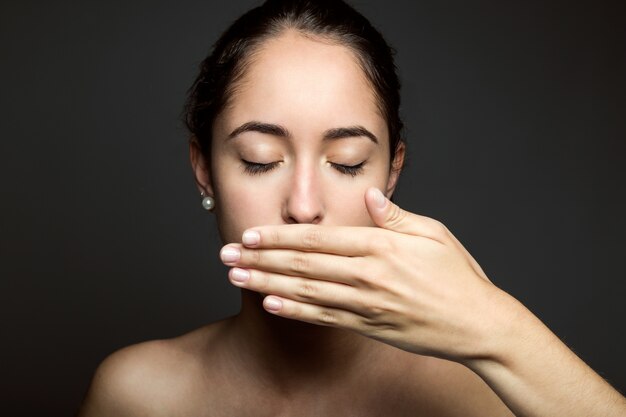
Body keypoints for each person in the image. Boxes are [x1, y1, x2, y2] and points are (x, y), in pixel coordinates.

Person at [78, 0, 626, 415]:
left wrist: (498, 327)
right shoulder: (137, 393)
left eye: (345, 162)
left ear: (391, 172)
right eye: (260, 159)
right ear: (204, 169)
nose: (304, 207)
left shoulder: (481, 395)